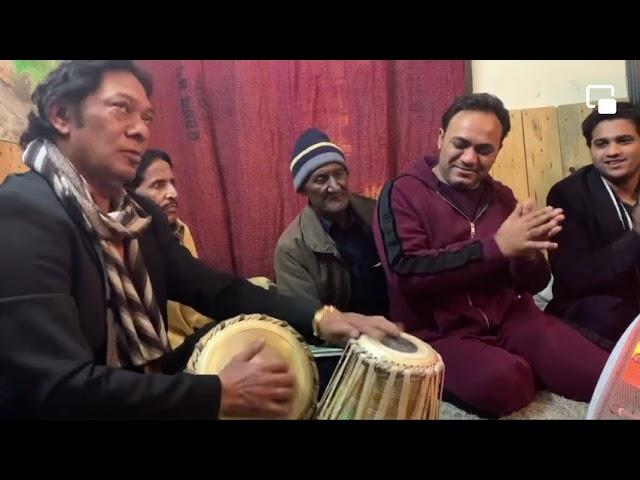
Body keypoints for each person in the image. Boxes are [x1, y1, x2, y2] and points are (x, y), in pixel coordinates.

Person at [0, 60, 400, 418]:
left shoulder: (139, 217)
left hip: (144, 385)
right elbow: (56, 389)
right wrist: (216, 393)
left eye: (147, 117)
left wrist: (324, 318)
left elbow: (217, 290)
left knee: (280, 359)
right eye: (121, 108)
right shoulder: (23, 215)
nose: (140, 129)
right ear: (61, 115)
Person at [373, 92, 608, 417]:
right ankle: (514, 364)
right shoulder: (402, 192)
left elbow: (536, 282)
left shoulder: (502, 197)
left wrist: (526, 254)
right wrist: (497, 247)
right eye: (460, 144)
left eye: (484, 149)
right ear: (441, 138)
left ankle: (525, 358)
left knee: (603, 375)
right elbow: (406, 272)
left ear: (497, 151)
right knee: (508, 384)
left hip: (511, 317)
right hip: (438, 332)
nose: (469, 158)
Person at [546, 102, 640, 351]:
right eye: (602, 144)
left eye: (624, 140)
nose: (613, 151)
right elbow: (573, 279)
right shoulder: (567, 194)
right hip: (596, 307)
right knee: (608, 315)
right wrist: (635, 237)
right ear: (590, 148)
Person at [274, 128, 388, 317]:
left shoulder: (376, 213)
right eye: (321, 179)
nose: (335, 186)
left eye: (339, 173)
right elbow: (308, 319)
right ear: (303, 189)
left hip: (396, 326)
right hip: (340, 341)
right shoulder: (291, 249)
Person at [128, 148, 213, 349]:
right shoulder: (128, 244)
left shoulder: (180, 229)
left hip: (196, 335)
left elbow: (194, 301)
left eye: (172, 183)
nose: (173, 194)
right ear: (131, 195)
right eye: (158, 185)